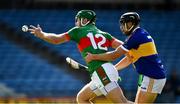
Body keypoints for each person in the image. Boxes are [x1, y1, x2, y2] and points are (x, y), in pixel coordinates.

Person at [28, 10, 131, 103]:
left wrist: (42, 35)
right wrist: (115, 68)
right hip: (103, 71)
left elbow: (56, 40)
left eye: (77, 20)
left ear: (84, 20)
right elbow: (125, 47)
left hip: (101, 72)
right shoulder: (105, 34)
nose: (76, 23)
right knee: (81, 98)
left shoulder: (78, 31)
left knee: (122, 103)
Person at [85, 12, 167, 103]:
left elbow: (114, 55)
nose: (121, 27)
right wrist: (114, 69)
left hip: (152, 76)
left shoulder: (136, 37)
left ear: (131, 23)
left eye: (123, 24)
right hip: (148, 75)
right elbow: (129, 59)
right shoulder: (140, 33)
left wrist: (94, 57)